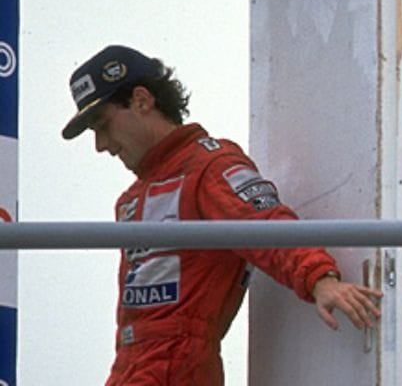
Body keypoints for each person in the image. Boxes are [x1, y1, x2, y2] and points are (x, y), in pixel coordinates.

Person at [61, 44, 383, 385]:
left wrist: (320, 279)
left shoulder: (210, 166)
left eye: (102, 125)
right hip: (130, 367)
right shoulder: (132, 198)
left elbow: (267, 225)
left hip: (177, 367)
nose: (100, 145)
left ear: (142, 101)